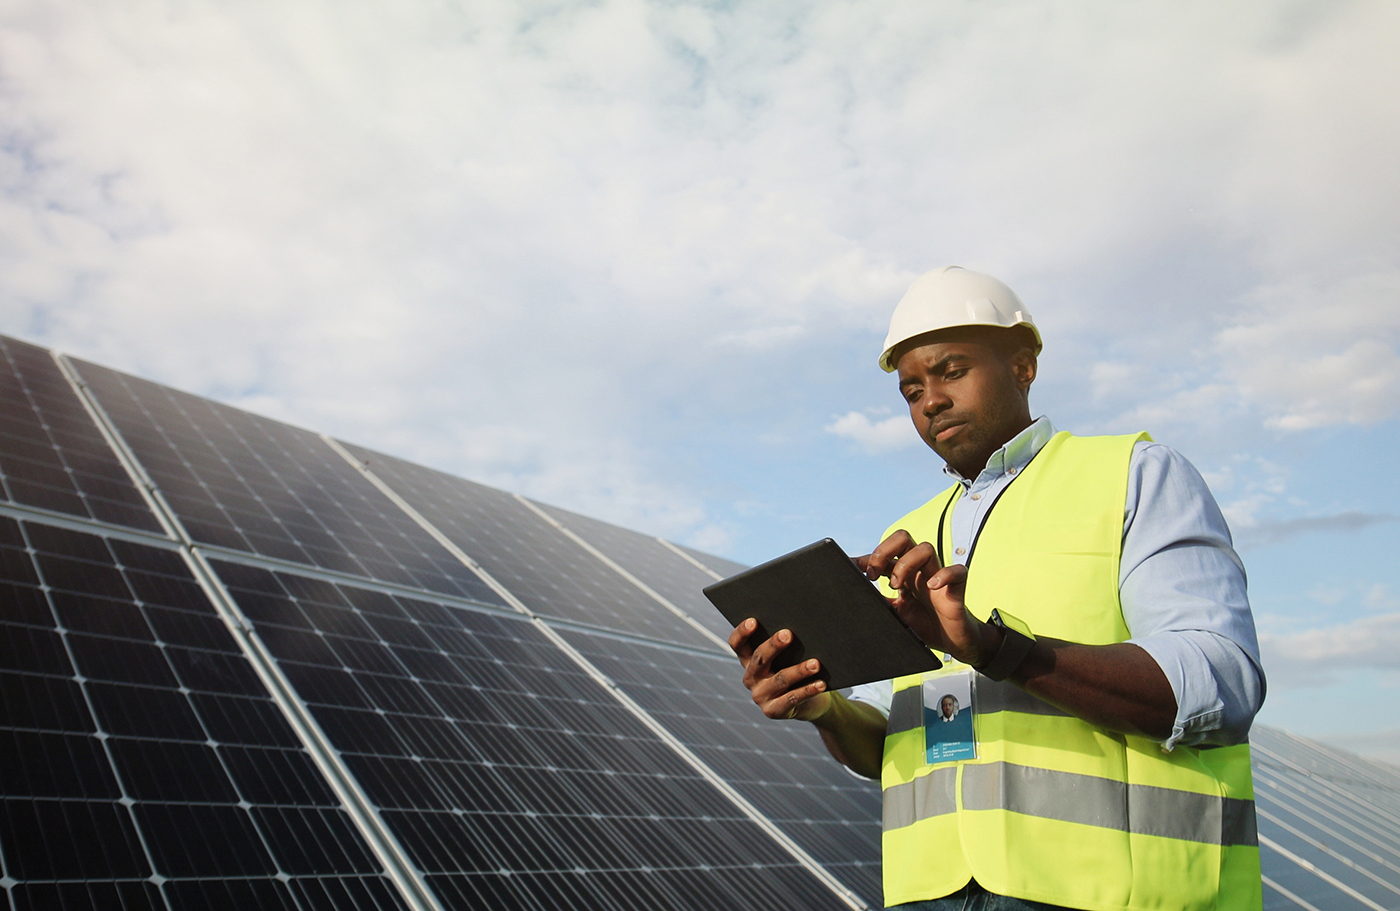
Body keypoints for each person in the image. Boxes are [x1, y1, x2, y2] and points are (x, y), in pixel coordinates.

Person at [729, 266, 1265, 911]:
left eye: (951, 370)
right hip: (934, 895)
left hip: (1121, 895)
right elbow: (896, 747)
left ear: (1023, 365)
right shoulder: (909, 535)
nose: (929, 400)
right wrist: (822, 706)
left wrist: (996, 649)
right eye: (910, 390)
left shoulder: (1132, 475)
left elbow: (1218, 683)